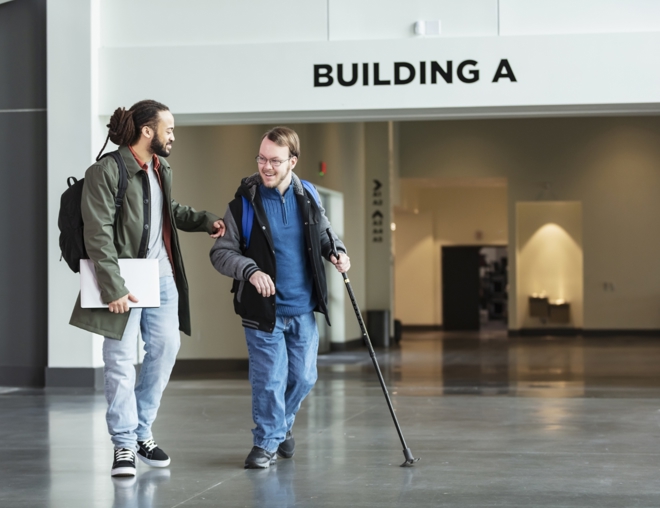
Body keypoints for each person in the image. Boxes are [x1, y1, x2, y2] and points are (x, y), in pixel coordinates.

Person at [69, 100, 225, 477]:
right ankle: (124, 444)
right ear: (147, 131)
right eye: (168, 128)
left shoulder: (160, 167)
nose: (174, 135)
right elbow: (98, 234)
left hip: (161, 275)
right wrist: (113, 288)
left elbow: (165, 209)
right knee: (120, 361)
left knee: (167, 346)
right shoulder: (106, 171)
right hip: (122, 279)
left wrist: (206, 221)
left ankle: (141, 431)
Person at [210, 126, 350, 469]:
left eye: (274, 160)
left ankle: (281, 428)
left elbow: (326, 234)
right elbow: (220, 253)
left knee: (304, 377)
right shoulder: (243, 203)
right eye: (261, 158)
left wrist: (337, 252)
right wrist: (250, 270)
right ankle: (266, 442)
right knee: (269, 379)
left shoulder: (309, 196)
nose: (266, 167)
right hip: (262, 311)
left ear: (293, 162)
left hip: (303, 308)